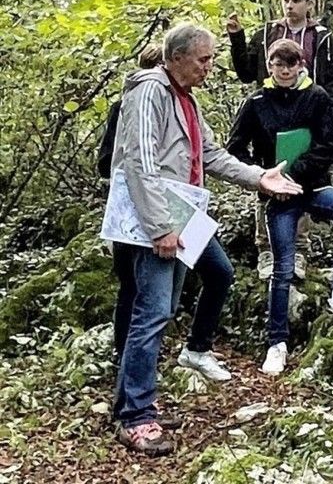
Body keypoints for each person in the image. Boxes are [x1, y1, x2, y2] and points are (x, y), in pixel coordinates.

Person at [110, 24, 301, 456]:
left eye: (211, 58)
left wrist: (260, 178)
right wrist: (160, 226)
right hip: (157, 218)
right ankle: (135, 416)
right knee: (153, 310)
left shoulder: (186, 99)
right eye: (204, 59)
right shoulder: (149, 92)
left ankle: (136, 398)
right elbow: (138, 163)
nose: (210, 67)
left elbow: (210, 154)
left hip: (184, 213)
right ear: (176, 57)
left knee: (216, 273)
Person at [227, 39, 333, 377]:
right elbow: (234, 149)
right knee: (282, 268)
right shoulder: (256, 102)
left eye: (290, 64)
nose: (283, 70)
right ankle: (276, 343)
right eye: (277, 64)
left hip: (315, 186)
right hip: (277, 198)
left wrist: (293, 175)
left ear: (300, 65)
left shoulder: (317, 97)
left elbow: (328, 145)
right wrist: (263, 178)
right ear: (269, 65)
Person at [227, 0, 333, 281]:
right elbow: (245, 71)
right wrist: (237, 38)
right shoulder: (267, 33)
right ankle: (265, 248)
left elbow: (332, 82)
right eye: (286, 0)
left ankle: (299, 250)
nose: (290, 6)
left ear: (309, 3)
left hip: (307, 112)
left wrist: (330, 117)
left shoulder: (322, 37)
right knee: (266, 177)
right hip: (269, 113)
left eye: (296, 0)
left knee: (301, 179)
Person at [98, 43, 163, 368]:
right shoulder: (124, 107)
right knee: (130, 287)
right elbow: (105, 160)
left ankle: (137, 360)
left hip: (156, 210)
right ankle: (123, 355)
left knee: (146, 292)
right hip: (126, 212)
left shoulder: (172, 106)